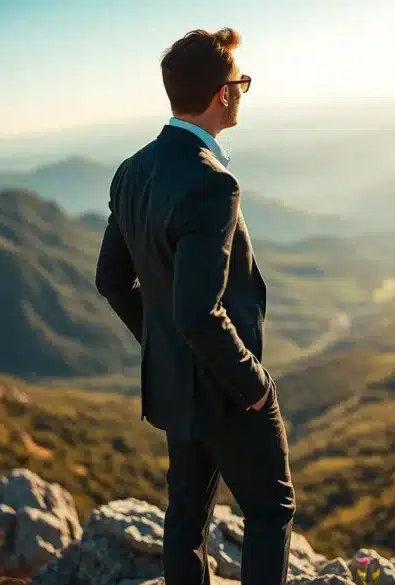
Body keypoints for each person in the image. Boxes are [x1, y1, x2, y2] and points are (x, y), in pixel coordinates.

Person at [94, 27, 295, 585]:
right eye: (241, 82)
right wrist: (253, 385)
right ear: (219, 93)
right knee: (270, 511)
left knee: (185, 515)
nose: (242, 92)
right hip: (229, 389)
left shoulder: (131, 171)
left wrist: (164, 350)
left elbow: (111, 280)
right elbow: (197, 311)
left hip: (173, 383)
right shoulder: (213, 184)